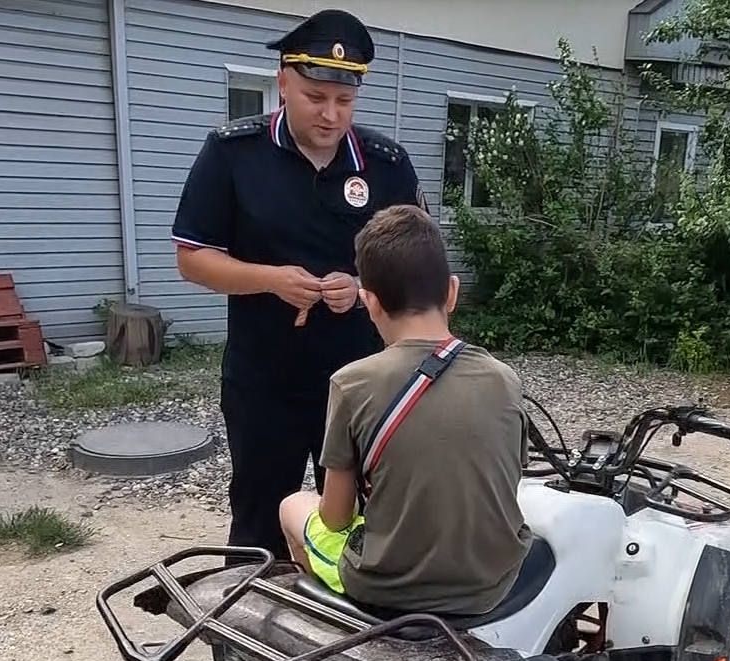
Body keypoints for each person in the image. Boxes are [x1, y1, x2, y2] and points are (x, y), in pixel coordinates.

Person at [169, 8, 424, 560]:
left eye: (345, 101)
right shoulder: (234, 154)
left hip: (363, 382)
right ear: (283, 82)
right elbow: (192, 258)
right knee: (262, 519)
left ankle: (352, 637)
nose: (331, 115)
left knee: (365, 522)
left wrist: (357, 285)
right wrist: (270, 280)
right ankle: (244, 640)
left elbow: (415, 262)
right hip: (266, 382)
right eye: (315, 97)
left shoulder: (387, 166)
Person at [279, 204, 533, 616]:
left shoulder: (352, 382)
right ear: (451, 291)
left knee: (292, 506)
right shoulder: (504, 378)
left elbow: (337, 518)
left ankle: (333, 621)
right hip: (492, 585)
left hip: (389, 589)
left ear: (370, 302)